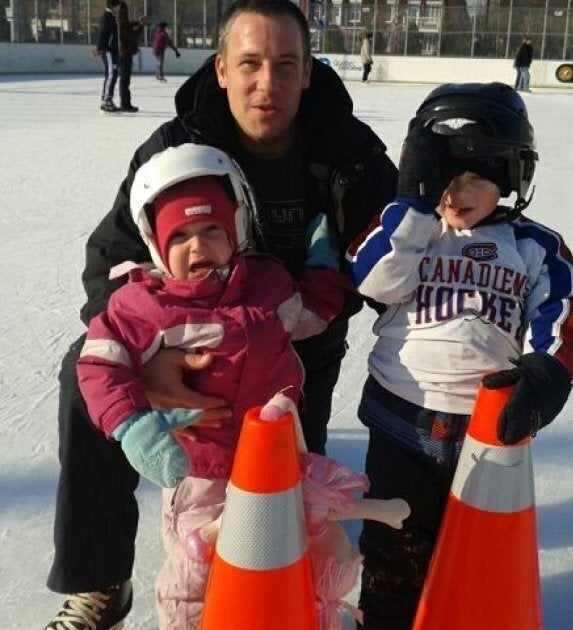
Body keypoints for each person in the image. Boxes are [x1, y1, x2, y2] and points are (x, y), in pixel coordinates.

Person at [44, 0, 398, 627]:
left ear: (309, 71)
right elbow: (110, 260)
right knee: (89, 372)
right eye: (251, 63)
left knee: (281, 520)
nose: (268, 83)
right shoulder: (179, 147)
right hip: (185, 355)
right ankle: (102, 579)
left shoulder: (351, 155)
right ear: (223, 69)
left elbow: (393, 261)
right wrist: (153, 364)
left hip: (292, 360)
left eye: (286, 65)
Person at [345, 82, 573, 629]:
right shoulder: (412, 231)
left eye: (476, 178)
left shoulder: (533, 245)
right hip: (400, 418)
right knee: (396, 541)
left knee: (475, 536)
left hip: (487, 426)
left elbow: (562, 310)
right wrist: (410, 203)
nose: (456, 193)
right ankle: (386, 618)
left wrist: (546, 369)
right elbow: (374, 278)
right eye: (443, 178)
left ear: (509, 179)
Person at [76, 143, 349, 628]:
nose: (197, 246)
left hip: (277, 463)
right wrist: (132, 424)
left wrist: (324, 266)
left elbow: (309, 316)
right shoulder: (143, 305)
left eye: (210, 229)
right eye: (179, 236)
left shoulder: (267, 284)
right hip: (203, 471)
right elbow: (100, 361)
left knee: (294, 556)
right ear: (157, 247)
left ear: (236, 230)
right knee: (195, 575)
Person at [116, 0, 146, 113]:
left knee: (125, 80)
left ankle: (125, 102)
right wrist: (141, 26)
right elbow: (133, 36)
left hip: (125, 53)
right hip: (125, 54)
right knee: (125, 80)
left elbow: (129, 26)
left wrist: (138, 22)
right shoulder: (122, 23)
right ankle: (125, 103)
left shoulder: (121, 22)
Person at [92, 0, 120, 113]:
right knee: (111, 74)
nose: (118, 8)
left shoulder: (111, 17)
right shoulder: (107, 17)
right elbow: (103, 33)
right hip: (108, 51)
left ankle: (109, 98)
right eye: (117, 6)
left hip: (112, 50)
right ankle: (106, 100)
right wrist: (100, 48)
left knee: (113, 74)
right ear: (113, 6)